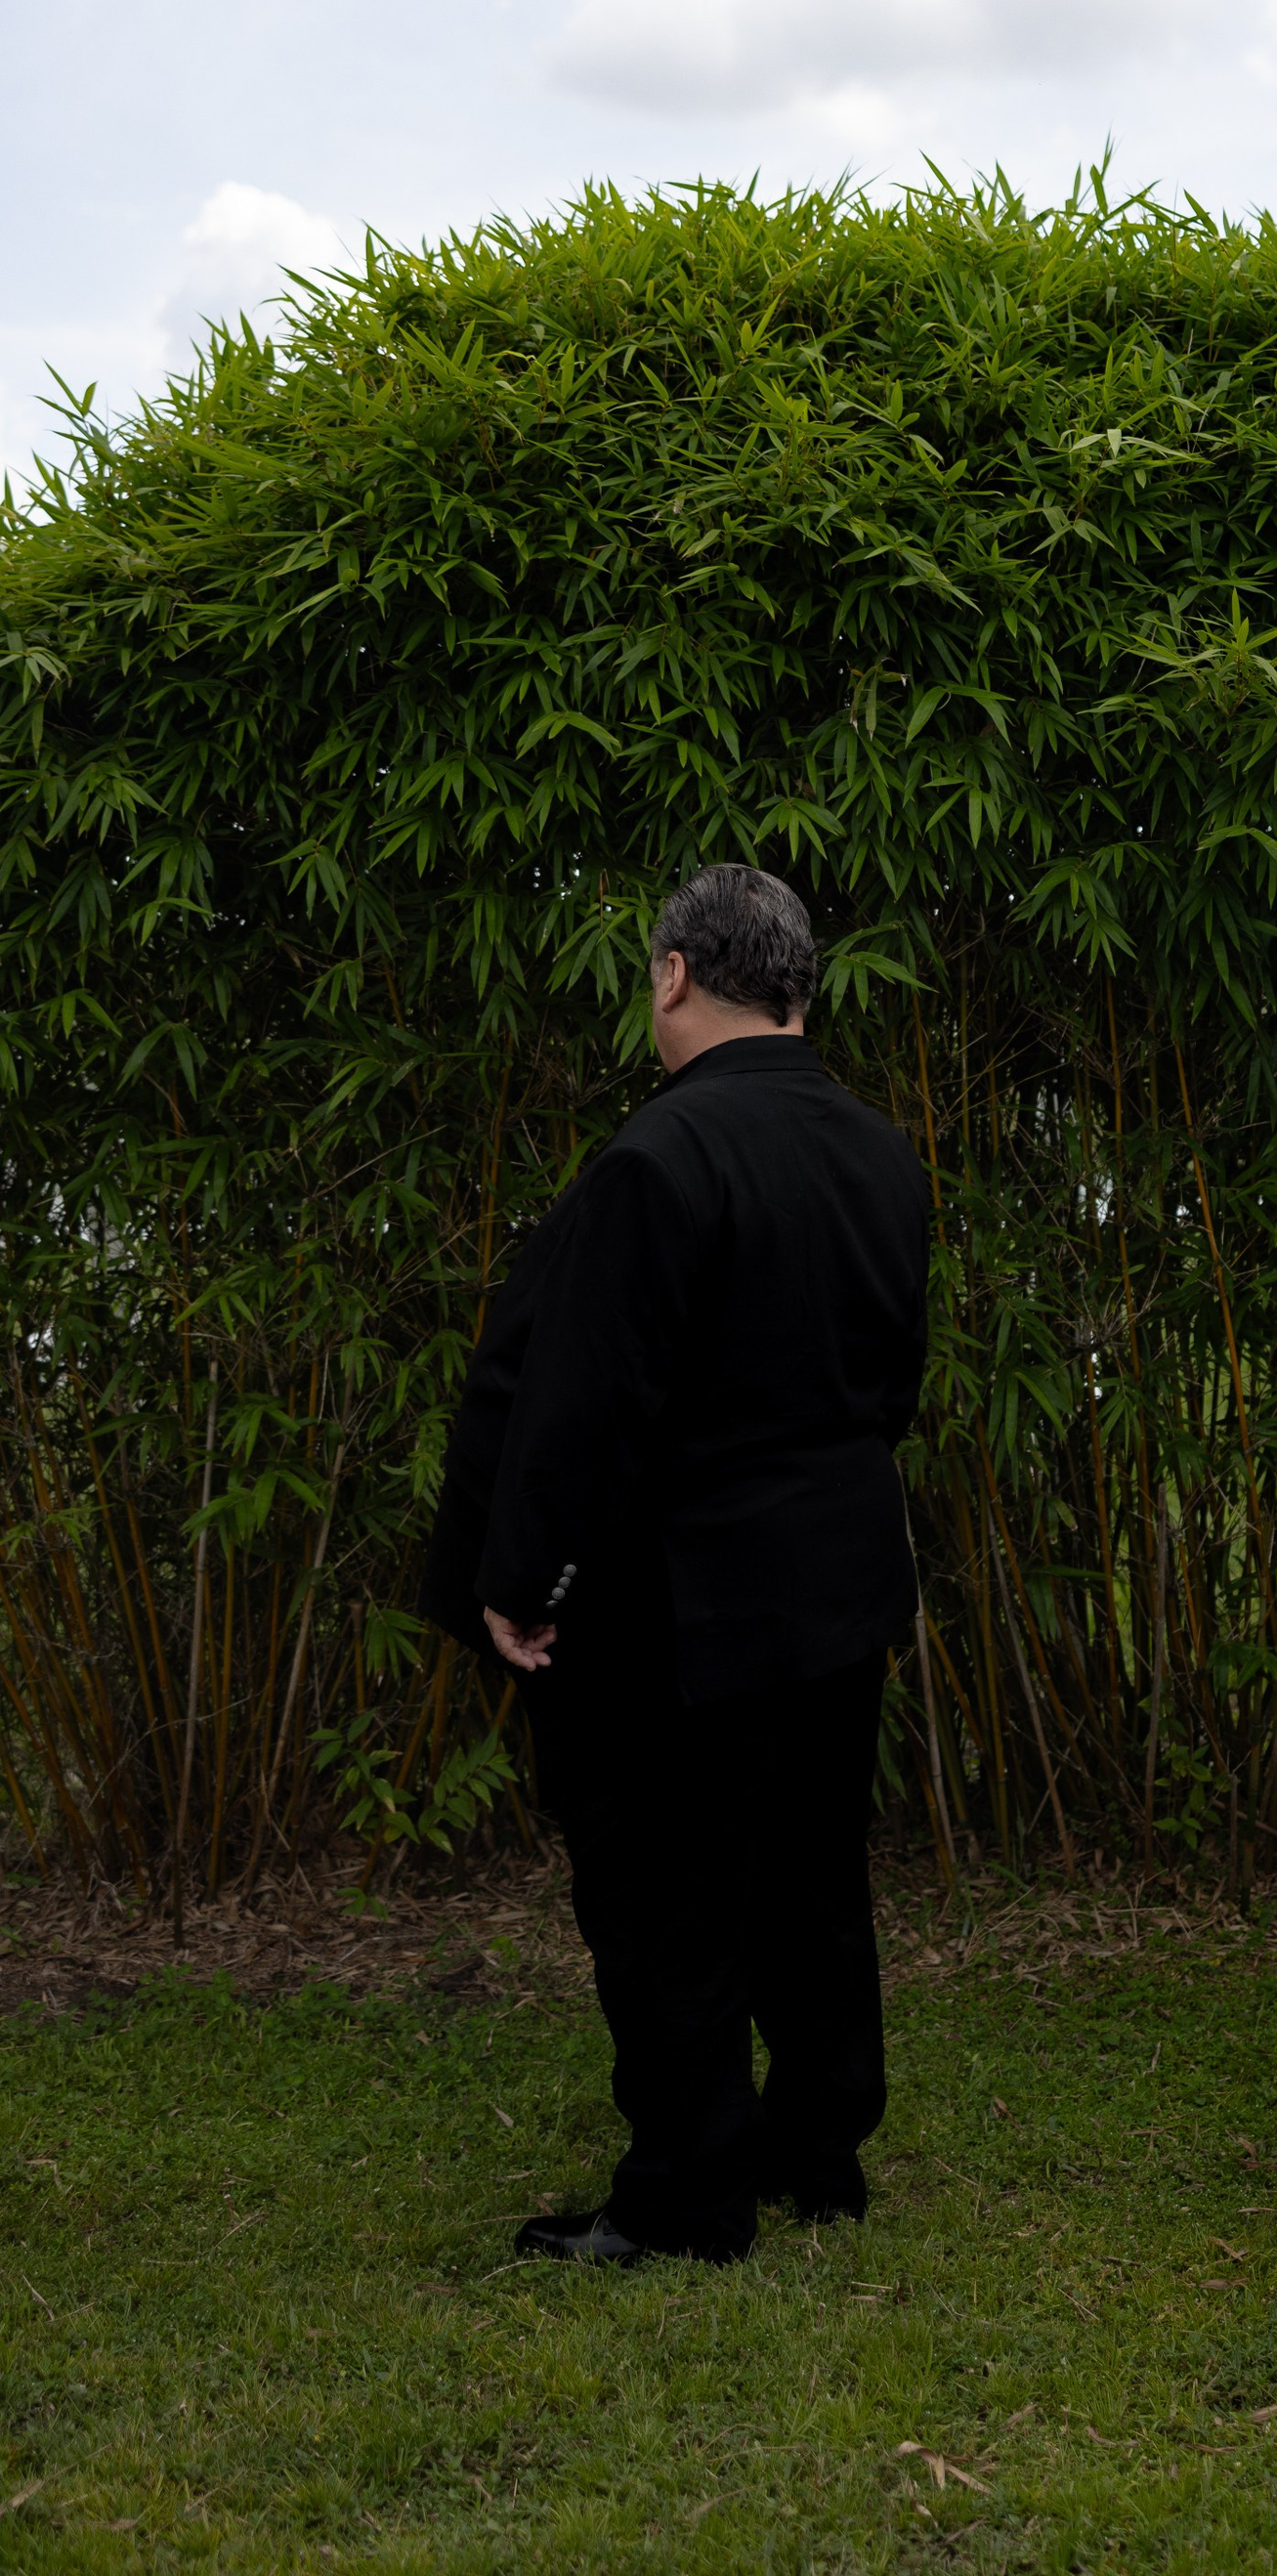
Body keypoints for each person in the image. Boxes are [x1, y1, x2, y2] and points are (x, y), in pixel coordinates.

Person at [421, 863, 933, 2266]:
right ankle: (818, 2147)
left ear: (672, 974)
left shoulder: (659, 1158)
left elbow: (583, 1402)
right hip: (838, 1585)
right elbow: (894, 1383)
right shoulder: (885, 1153)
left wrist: (518, 1576)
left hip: (686, 1604)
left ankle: (692, 2189)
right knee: (813, 1874)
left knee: (666, 1895)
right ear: (798, 988)